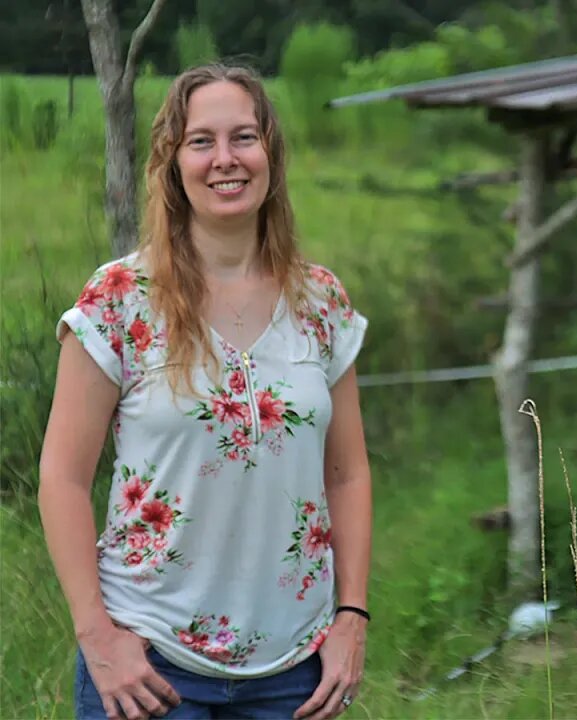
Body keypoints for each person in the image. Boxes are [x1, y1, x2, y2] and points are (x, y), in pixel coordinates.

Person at [38, 63, 372, 720]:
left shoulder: (320, 301)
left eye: (244, 137)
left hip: (296, 670)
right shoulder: (119, 301)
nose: (226, 159)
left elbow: (348, 473)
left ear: (269, 153)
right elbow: (62, 477)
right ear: (172, 161)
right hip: (149, 665)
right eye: (202, 141)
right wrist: (97, 636)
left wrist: (352, 617)